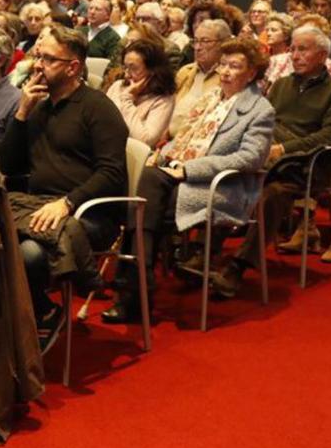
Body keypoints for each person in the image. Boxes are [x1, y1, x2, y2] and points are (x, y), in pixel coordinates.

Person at [111, 38, 275, 322]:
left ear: (251, 74)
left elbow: (249, 159)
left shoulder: (260, 110)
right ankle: (141, 281)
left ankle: (133, 290)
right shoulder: (210, 99)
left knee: (143, 209)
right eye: (223, 64)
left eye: (234, 66)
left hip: (222, 185)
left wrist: (190, 169)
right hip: (179, 173)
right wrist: (164, 156)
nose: (224, 71)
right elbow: (182, 139)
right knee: (144, 190)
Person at [0, 25, 127, 340]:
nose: (39, 65)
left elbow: (111, 174)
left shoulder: (98, 108)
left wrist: (68, 203)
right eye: (39, 56)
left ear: (73, 67)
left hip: (88, 213)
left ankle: (42, 312)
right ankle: (11, 324)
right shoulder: (39, 107)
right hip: (36, 207)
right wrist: (22, 113)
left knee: (26, 253)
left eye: (49, 59)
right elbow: (9, 165)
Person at [212, 27, 331, 295]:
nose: (295, 55)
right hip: (267, 155)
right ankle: (207, 250)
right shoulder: (282, 84)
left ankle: (238, 267)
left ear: (322, 55)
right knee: (227, 180)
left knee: (271, 194)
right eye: (293, 49)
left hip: (306, 165)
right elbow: (261, 119)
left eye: (303, 49)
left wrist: (284, 148)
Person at [105, 39, 177, 148]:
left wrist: (127, 100)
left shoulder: (163, 99)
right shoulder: (118, 86)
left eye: (134, 68)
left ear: (153, 71)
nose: (127, 75)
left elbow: (145, 141)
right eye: (125, 68)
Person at [170, 18, 230, 138]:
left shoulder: (227, 77)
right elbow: (169, 106)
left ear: (223, 43)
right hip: (169, 139)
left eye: (205, 41)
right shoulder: (185, 72)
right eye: (195, 41)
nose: (197, 47)